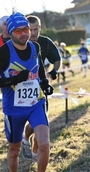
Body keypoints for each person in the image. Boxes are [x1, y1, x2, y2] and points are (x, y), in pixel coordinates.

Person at [0, 12, 54, 172]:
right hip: (13, 108)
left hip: (35, 103)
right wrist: (14, 79)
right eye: (19, 30)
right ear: (10, 32)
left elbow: (39, 68)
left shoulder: (34, 46)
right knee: (14, 150)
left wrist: (44, 83)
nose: (24, 34)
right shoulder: (4, 52)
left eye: (26, 29)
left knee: (44, 143)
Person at [21, 15, 61, 162]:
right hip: (22, 88)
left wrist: (54, 71)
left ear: (40, 27)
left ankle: (35, 150)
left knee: (41, 120)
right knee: (31, 121)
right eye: (30, 29)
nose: (33, 33)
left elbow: (57, 59)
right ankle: (25, 138)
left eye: (36, 29)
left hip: (40, 86)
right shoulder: (19, 43)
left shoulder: (45, 42)